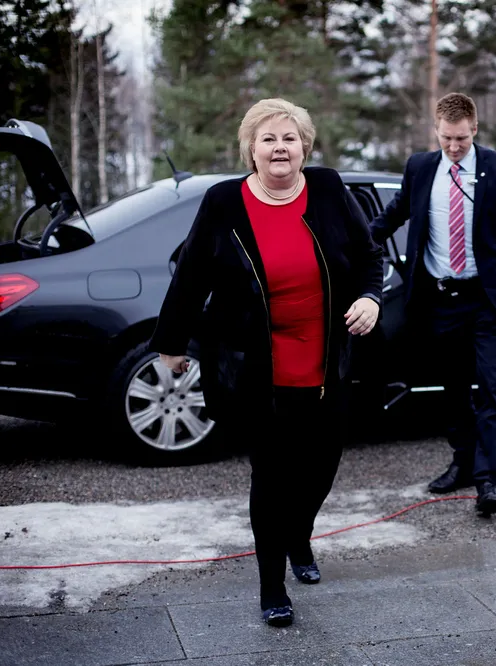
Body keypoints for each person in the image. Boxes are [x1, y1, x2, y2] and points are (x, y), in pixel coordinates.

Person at [149, 98, 384, 628]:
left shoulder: (328, 188)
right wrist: (172, 340)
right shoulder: (224, 201)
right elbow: (191, 274)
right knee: (272, 475)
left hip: (326, 359)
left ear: (305, 146)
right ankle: (272, 585)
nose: (280, 147)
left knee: (322, 467)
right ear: (250, 149)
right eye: (269, 138)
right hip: (257, 364)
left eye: (289, 138)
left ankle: (299, 535)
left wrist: (371, 297)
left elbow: (369, 256)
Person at [369, 92, 496, 516]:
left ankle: (489, 481)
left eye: (462, 139)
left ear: (475, 129)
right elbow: (393, 215)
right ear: (436, 130)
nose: (453, 147)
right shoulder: (420, 167)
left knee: (493, 391)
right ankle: (463, 462)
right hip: (441, 300)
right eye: (446, 138)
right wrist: (345, 242)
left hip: (492, 300)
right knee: (452, 391)